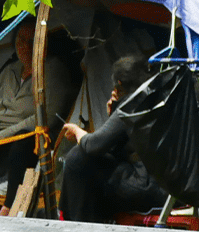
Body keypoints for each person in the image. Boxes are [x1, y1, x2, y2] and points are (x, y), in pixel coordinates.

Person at [0, 20, 78, 200]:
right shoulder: (9, 70)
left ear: (43, 44)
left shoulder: (53, 70)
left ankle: (10, 204)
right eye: (21, 41)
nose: (26, 47)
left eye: (32, 42)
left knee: (23, 141)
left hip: (23, 140)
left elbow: (47, 117)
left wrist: (0, 137)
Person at [59, 56, 165, 223]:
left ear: (119, 85)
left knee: (77, 159)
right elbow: (116, 146)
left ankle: (76, 224)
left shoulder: (132, 105)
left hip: (147, 189)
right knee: (87, 161)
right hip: (166, 187)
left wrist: (78, 131)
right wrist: (113, 113)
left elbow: (94, 145)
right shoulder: (156, 100)